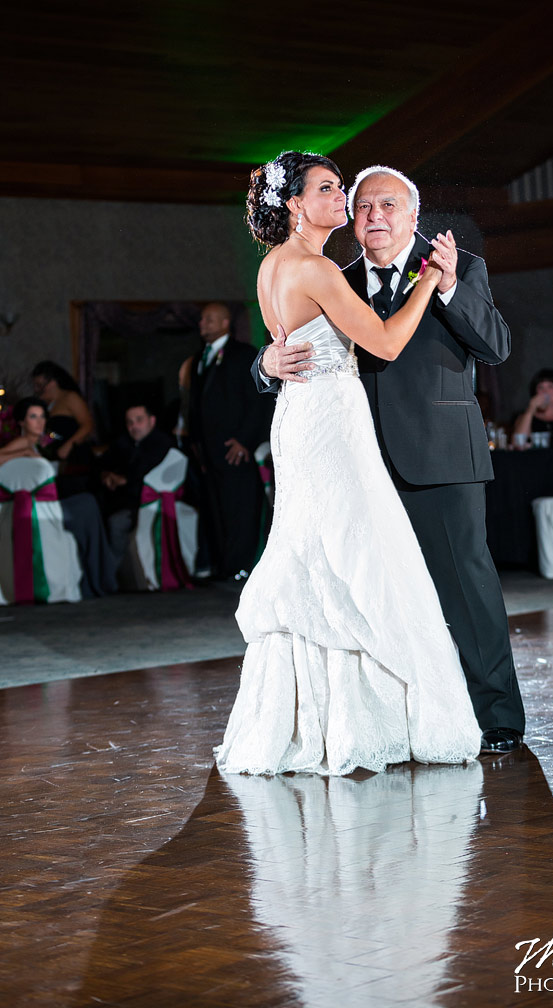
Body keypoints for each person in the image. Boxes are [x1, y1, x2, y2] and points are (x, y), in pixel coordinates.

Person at [215, 151, 480, 776]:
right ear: (295, 205)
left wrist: (267, 365)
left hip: (300, 422)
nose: (344, 199)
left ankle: (315, 716)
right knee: (363, 553)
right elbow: (385, 341)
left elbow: (288, 343)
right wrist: (423, 285)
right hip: (333, 426)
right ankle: (373, 715)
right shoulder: (318, 269)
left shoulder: (271, 269)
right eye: (329, 190)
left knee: (316, 551)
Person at [2, 397, 117, 597]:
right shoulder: (22, 441)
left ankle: (96, 580)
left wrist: (62, 442)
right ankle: (99, 581)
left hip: (52, 496)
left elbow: (60, 438)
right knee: (88, 503)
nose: (40, 421)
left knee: (88, 501)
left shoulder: (45, 438)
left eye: (43, 416)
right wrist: (25, 452)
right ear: (21, 422)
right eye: (33, 417)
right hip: (38, 505)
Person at [188, 303, 271, 581]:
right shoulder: (200, 358)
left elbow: (257, 403)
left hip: (236, 449)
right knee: (216, 510)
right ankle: (223, 566)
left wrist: (245, 441)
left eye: (209, 319)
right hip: (208, 452)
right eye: (201, 319)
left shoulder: (243, 354)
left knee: (241, 508)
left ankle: (242, 566)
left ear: (225, 322)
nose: (203, 324)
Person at [97, 403, 173, 567]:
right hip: (121, 500)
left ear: (151, 421)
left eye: (139, 420)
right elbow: (105, 463)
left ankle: (113, 573)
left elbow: (148, 474)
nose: (134, 426)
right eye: (130, 422)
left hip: (147, 503)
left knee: (116, 523)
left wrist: (123, 480)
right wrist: (107, 476)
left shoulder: (162, 443)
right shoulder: (124, 441)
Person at [32, 360, 94, 497]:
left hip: (76, 464)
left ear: (53, 382)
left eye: (40, 385)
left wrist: (68, 445)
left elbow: (87, 424)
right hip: (58, 466)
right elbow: (55, 434)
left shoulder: (70, 397)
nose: (37, 390)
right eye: (35, 386)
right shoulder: (47, 406)